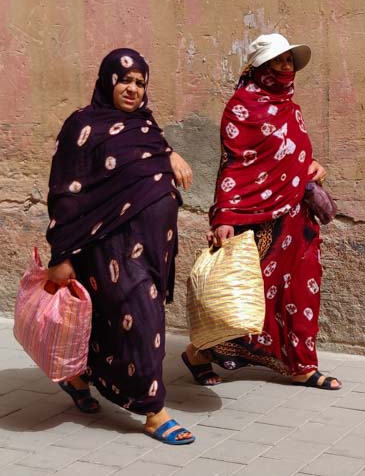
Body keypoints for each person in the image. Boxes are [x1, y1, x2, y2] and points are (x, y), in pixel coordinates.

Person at [46, 48, 196, 445]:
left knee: (110, 324)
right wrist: (60, 255)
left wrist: (170, 152)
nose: (132, 89)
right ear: (108, 80)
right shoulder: (83, 126)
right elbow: (65, 191)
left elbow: (146, 160)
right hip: (109, 250)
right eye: (125, 80)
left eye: (140, 83)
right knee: (144, 323)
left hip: (152, 250)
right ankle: (153, 411)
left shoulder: (145, 126)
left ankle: (79, 376)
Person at [181, 33, 341, 390]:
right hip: (256, 218)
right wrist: (224, 217)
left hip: (297, 218)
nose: (286, 68)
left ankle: (301, 364)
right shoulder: (241, 108)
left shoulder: (290, 107)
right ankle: (198, 353)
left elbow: (290, 152)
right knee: (247, 293)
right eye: (277, 62)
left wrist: (312, 166)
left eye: (289, 61)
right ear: (260, 68)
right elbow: (235, 166)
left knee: (301, 290)